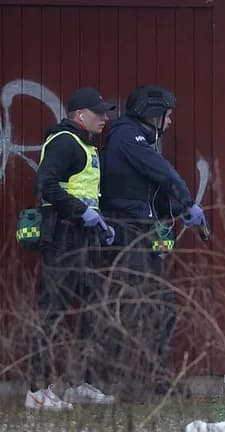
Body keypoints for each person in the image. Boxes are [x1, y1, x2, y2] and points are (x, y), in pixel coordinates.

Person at [99, 84, 206, 399]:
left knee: (161, 306)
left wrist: (177, 211)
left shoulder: (140, 141)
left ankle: (159, 379)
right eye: (168, 115)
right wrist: (187, 201)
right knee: (134, 306)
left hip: (141, 230)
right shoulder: (126, 137)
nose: (170, 122)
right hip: (127, 233)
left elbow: (150, 197)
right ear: (152, 113)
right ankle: (123, 383)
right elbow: (164, 174)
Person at [27, 87, 117, 410]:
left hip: (83, 238)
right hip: (63, 238)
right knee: (52, 312)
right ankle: (37, 392)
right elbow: (44, 184)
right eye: (99, 113)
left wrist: (100, 224)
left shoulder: (85, 145)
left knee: (93, 309)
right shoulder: (65, 141)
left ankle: (80, 382)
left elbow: (85, 192)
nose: (105, 118)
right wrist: (82, 212)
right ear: (80, 115)